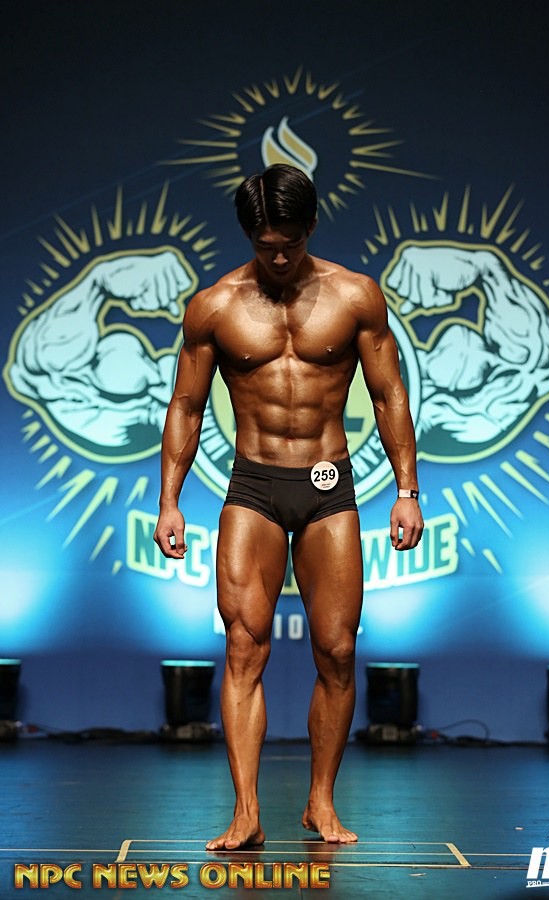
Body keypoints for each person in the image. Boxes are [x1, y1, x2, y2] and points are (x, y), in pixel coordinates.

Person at [153, 164, 424, 850]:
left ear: (312, 228)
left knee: (337, 650)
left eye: (291, 243)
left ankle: (320, 802)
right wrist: (169, 503)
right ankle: (246, 812)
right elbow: (186, 405)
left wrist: (407, 491)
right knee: (244, 647)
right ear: (249, 234)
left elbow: (389, 395)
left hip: (330, 488)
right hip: (253, 486)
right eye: (266, 245)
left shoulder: (355, 296)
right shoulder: (215, 306)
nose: (279, 258)